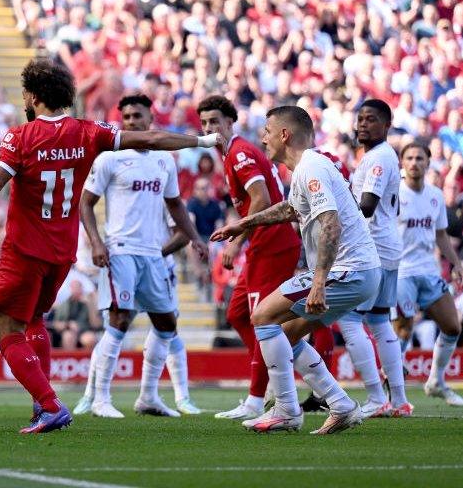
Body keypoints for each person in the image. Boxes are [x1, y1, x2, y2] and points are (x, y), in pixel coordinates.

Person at [0, 58, 221, 434]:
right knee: (34, 320)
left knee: (7, 328)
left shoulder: (20, 137)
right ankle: (42, 405)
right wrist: (203, 141)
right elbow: (149, 140)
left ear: (34, 96)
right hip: (62, 253)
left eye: (24, 91)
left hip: (24, 249)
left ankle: (51, 405)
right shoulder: (88, 132)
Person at [211, 106, 376, 434]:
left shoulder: (311, 168)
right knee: (286, 333)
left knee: (261, 316)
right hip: (358, 272)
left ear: (284, 135)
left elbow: (331, 223)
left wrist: (318, 283)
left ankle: (286, 410)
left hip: (348, 270)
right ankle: (341, 405)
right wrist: (245, 223)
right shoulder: (308, 168)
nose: (263, 138)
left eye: (268, 131)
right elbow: (291, 209)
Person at [72, 94, 208, 419]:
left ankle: (148, 396)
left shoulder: (164, 162)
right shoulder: (109, 159)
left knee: (166, 322)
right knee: (119, 320)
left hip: (153, 254)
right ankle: (100, 399)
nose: (132, 121)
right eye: (127, 117)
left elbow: (176, 206)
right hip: (120, 250)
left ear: (150, 119)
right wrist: (96, 242)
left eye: (138, 116)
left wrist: (195, 239)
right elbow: (85, 203)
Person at [196, 95, 302, 421]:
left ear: (230, 122)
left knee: (262, 322)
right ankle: (269, 372)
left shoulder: (240, 152)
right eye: (204, 123)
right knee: (238, 313)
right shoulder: (230, 154)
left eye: (215, 121)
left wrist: (235, 241)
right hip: (262, 244)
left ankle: (258, 399)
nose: (209, 128)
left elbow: (262, 197)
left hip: (271, 243)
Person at [340, 99, 407, 418]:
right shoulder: (377, 156)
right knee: (380, 321)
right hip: (388, 247)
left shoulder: (379, 158)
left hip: (374, 250)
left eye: (371, 119)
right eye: (360, 119)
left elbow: (366, 206)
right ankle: (399, 400)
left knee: (350, 319)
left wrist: (334, 202)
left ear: (386, 125)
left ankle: (376, 396)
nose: (363, 124)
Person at [394, 143, 463, 407]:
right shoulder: (394, 195)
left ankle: (435, 381)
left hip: (428, 269)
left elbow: (440, 235)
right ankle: (391, 389)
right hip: (401, 271)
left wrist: (457, 264)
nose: (414, 162)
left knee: (452, 326)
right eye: (410, 158)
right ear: (402, 163)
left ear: (428, 163)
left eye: (420, 158)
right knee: (403, 329)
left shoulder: (435, 195)